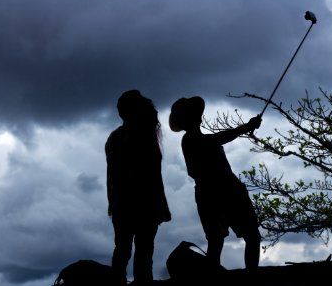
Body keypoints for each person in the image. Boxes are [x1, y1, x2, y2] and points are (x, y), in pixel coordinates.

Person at [169, 96, 261, 270]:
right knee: (221, 240)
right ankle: (246, 276)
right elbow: (219, 138)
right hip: (219, 193)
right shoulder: (190, 140)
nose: (199, 116)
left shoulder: (192, 140)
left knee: (227, 239)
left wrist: (246, 127)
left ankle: (242, 275)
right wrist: (246, 127)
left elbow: (218, 139)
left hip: (214, 194)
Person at [105, 90, 171, 284]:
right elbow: (150, 176)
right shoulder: (143, 136)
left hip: (125, 204)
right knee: (142, 253)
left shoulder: (117, 137)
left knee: (124, 251)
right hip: (143, 203)